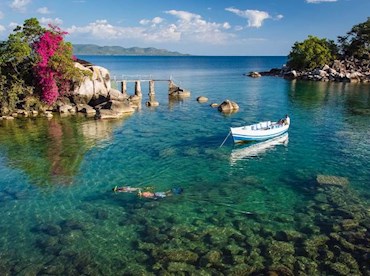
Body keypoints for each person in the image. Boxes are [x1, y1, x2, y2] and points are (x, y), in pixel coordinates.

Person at [112, 186, 183, 200]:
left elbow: (148, 195)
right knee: (165, 194)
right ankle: (173, 191)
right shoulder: (122, 188)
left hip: (156, 195)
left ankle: (174, 192)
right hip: (155, 194)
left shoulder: (142, 194)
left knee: (165, 195)